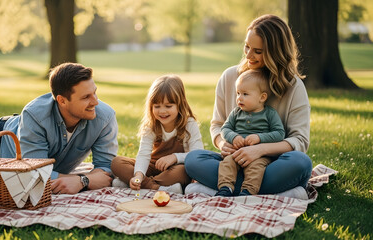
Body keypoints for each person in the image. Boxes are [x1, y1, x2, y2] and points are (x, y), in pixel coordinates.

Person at [0, 62, 118, 194]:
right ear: (61, 100)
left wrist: (79, 181)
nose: (95, 102)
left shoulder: (105, 117)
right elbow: (34, 175)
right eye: (86, 97)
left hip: (25, 145)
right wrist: (84, 180)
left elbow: (105, 170)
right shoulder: (35, 115)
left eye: (95, 92)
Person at [185, 14, 312, 199]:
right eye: (247, 46)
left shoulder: (293, 86)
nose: (248, 55)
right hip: (233, 160)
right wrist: (223, 143)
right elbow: (217, 124)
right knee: (192, 160)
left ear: (275, 52)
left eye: (258, 51)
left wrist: (259, 149)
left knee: (301, 163)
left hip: (271, 163)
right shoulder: (230, 77)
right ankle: (282, 192)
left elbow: (300, 141)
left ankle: (220, 188)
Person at [111, 74, 203, 194]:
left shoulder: (189, 124)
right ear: (151, 106)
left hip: (173, 169)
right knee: (117, 162)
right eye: (157, 106)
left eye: (168, 106)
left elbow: (197, 154)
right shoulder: (151, 126)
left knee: (184, 171)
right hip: (152, 167)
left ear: (180, 104)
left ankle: (131, 184)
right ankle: (156, 187)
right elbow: (144, 155)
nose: (162, 111)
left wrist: (175, 157)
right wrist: (138, 175)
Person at [216, 69, 285, 197]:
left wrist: (259, 138)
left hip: (259, 155)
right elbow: (225, 129)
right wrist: (233, 136)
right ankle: (225, 188)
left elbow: (279, 133)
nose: (239, 98)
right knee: (226, 163)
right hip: (237, 152)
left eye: (245, 94)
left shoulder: (269, 113)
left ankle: (247, 191)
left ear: (262, 97)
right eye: (238, 93)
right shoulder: (236, 113)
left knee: (256, 168)